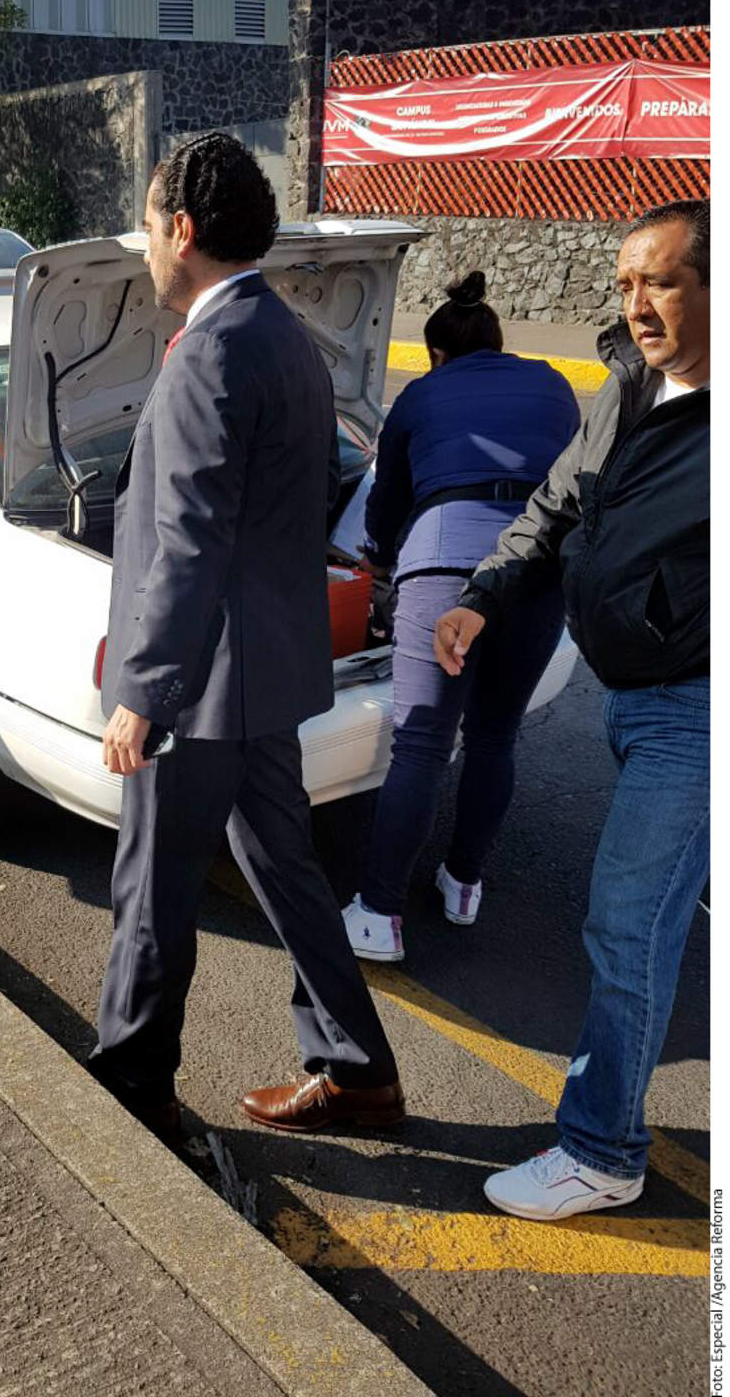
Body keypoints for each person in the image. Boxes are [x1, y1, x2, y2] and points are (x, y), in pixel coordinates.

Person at [88, 131, 403, 1146]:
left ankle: (132, 1088)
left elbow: (187, 543)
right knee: (284, 867)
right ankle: (357, 1070)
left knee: (151, 890)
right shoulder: (285, 335)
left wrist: (144, 692)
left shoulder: (209, 352)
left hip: (200, 686)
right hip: (263, 670)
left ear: (180, 230)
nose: (144, 245)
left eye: (147, 225)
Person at [434, 200, 709, 1221]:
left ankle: (600, 1152)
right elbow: (555, 503)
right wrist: (480, 594)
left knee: (627, 923)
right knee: (655, 917)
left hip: (696, 708)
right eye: (625, 284)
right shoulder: (628, 383)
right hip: (632, 696)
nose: (635, 305)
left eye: (660, 282)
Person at [342, 272, 580, 962]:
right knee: (495, 737)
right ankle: (464, 883)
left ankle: (378, 914)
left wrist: (376, 562)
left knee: (421, 744)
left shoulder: (422, 393)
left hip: (445, 570)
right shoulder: (554, 384)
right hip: (538, 572)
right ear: (499, 342)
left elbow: (387, 501)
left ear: (438, 355)